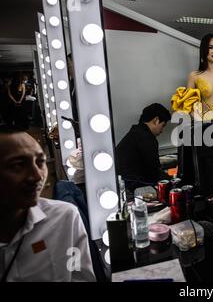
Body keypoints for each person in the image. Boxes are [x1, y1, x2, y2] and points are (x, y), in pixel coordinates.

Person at [0, 125, 95, 281]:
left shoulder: (64, 218)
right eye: (18, 165)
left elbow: (80, 277)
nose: (37, 176)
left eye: (40, 162)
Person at [116, 103, 171, 191]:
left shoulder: (135, 132)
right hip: (137, 186)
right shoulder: (147, 138)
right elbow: (154, 171)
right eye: (163, 125)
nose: (162, 131)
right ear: (156, 120)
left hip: (124, 184)